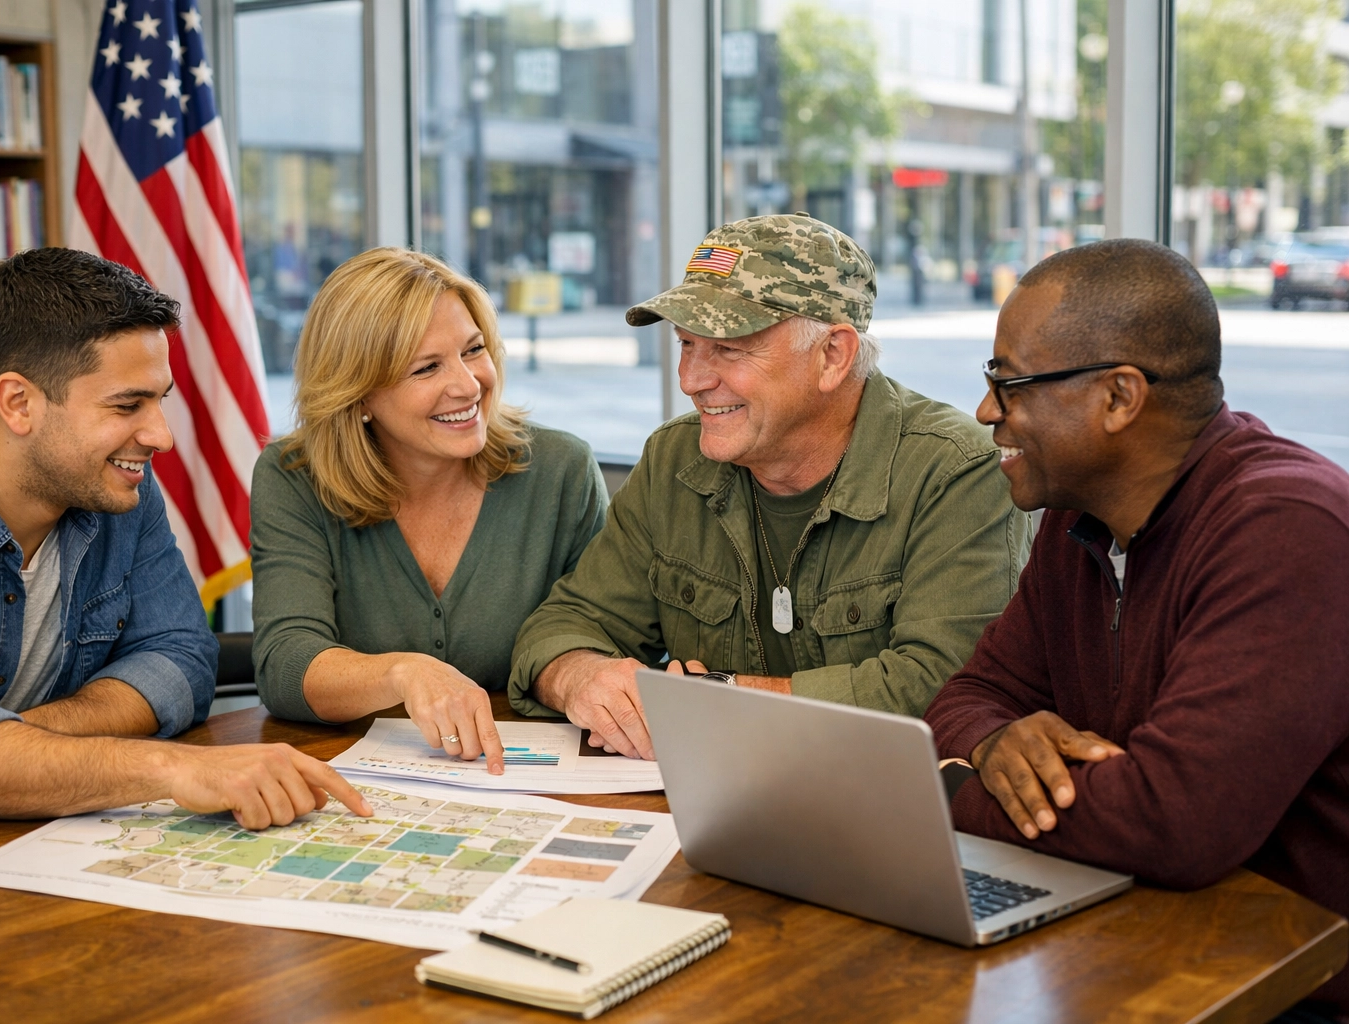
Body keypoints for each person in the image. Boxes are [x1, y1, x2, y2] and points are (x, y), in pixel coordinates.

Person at [923, 238, 1349, 1021]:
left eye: (1008, 382)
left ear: (1119, 398)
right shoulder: (1076, 516)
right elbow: (974, 693)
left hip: (1292, 989)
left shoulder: (1287, 528)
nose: (987, 410)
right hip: (1132, 945)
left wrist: (950, 784)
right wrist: (989, 743)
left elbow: (1174, 822)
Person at [0, 249, 371, 830]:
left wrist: (12, 748)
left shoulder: (114, 481)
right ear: (18, 402)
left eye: (160, 400)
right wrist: (170, 768)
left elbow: (182, 657)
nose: (161, 437)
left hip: (28, 834)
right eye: (127, 405)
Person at [508, 214, 1031, 759]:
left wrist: (711, 700)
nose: (692, 380)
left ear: (833, 355)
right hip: (702, 805)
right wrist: (582, 678)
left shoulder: (956, 470)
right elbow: (566, 623)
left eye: (729, 350)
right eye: (687, 345)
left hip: (884, 813)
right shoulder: (674, 458)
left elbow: (946, 691)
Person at [250, 248, 608, 773]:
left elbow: (602, 639)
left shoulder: (562, 471)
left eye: (474, 349)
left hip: (530, 777)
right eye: (427, 368)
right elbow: (285, 664)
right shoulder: (295, 475)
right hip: (360, 783)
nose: (467, 385)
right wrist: (404, 673)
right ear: (360, 394)